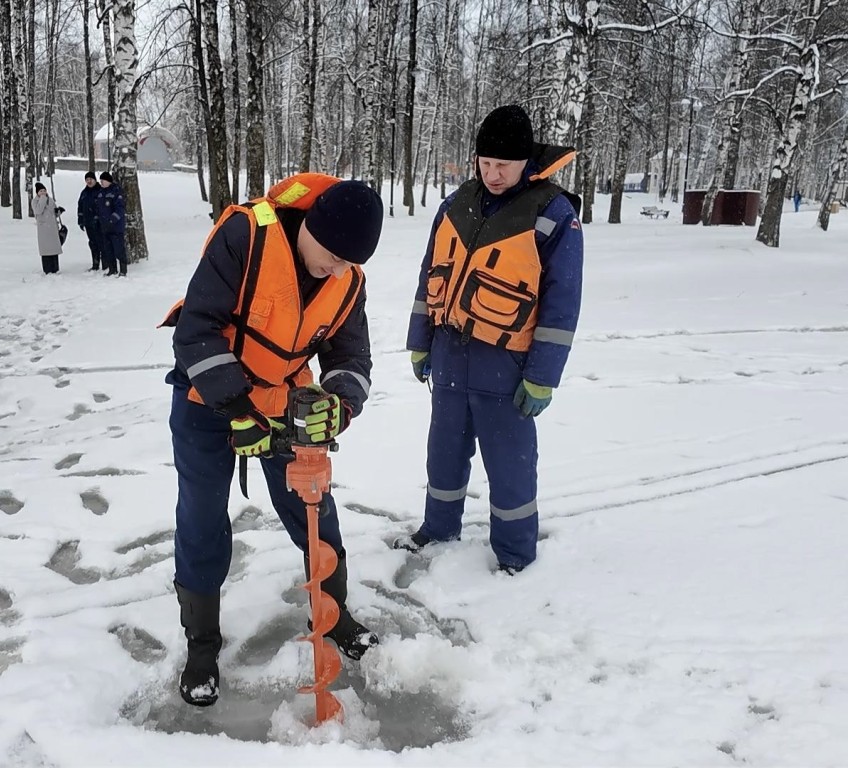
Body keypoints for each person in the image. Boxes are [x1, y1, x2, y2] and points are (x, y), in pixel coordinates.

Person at [162, 173, 384, 707]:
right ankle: (202, 644)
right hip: (206, 400)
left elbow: (351, 356)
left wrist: (339, 405)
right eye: (332, 255)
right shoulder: (247, 234)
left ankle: (333, 613)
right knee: (201, 517)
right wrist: (236, 407)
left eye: (348, 263)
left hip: (284, 400)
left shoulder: (347, 280)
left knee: (313, 505)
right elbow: (196, 329)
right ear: (311, 225)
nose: (337, 269)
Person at [395, 104, 584, 575]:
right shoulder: (456, 204)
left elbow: (562, 304)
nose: (493, 174)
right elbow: (431, 274)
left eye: (504, 165)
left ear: (527, 162)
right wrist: (420, 340)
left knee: (509, 467)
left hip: (506, 366)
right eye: (486, 163)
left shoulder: (553, 214)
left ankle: (515, 554)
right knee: (443, 453)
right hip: (449, 354)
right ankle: (439, 528)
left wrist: (542, 377)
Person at [96, 171, 127, 276]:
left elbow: (120, 209)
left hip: (116, 227)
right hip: (105, 227)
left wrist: (112, 220)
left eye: (103, 180)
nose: (101, 182)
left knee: (119, 250)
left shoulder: (116, 192)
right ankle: (112, 269)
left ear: (108, 181)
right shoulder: (100, 193)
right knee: (108, 250)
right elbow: (99, 208)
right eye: (100, 180)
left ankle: (123, 270)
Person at [32, 182, 62, 275]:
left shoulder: (51, 200)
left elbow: (53, 213)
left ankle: (55, 268)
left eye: (44, 190)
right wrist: (42, 199)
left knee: (54, 249)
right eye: (41, 191)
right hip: (43, 229)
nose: (43, 192)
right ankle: (47, 269)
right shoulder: (35, 201)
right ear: (37, 192)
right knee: (46, 250)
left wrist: (58, 211)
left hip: (52, 228)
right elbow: (38, 210)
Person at [77, 171, 103, 271]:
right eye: (87, 180)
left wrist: (98, 218)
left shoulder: (100, 191)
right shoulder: (84, 193)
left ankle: (106, 264)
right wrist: (80, 220)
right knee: (92, 243)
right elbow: (80, 207)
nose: (89, 181)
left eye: (91, 179)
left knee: (102, 243)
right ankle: (95, 264)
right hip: (88, 223)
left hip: (99, 224)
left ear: (95, 180)